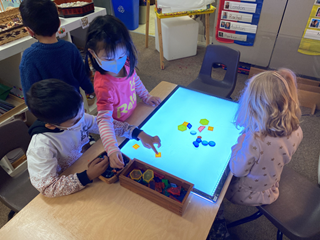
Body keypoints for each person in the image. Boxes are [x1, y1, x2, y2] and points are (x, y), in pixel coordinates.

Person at [26, 79, 160, 198]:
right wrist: (87, 176)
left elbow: (106, 124)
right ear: (50, 126)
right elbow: (48, 187)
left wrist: (138, 133)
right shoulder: (41, 146)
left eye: (82, 110)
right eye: (76, 120)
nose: (83, 118)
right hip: (73, 181)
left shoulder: (77, 116)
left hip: (87, 161)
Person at [85, 15, 161, 169]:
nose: (116, 63)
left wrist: (146, 96)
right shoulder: (103, 86)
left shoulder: (125, 62)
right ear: (93, 54)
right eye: (108, 58)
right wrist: (112, 149)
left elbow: (134, 80)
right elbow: (104, 121)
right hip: (119, 129)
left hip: (135, 117)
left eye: (120, 55)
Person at [226, 69, 303, 206]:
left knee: (220, 179)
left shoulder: (255, 139)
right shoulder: (297, 129)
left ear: (254, 106)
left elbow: (236, 170)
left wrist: (239, 144)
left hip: (246, 194)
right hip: (271, 186)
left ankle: (217, 216)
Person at [19, 0, 94, 99]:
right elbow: (83, 78)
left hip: (49, 112)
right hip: (75, 105)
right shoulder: (71, 48)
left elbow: (30, 96)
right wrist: (91, 92)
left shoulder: (29, 58)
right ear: (59, 23)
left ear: (29, 30)